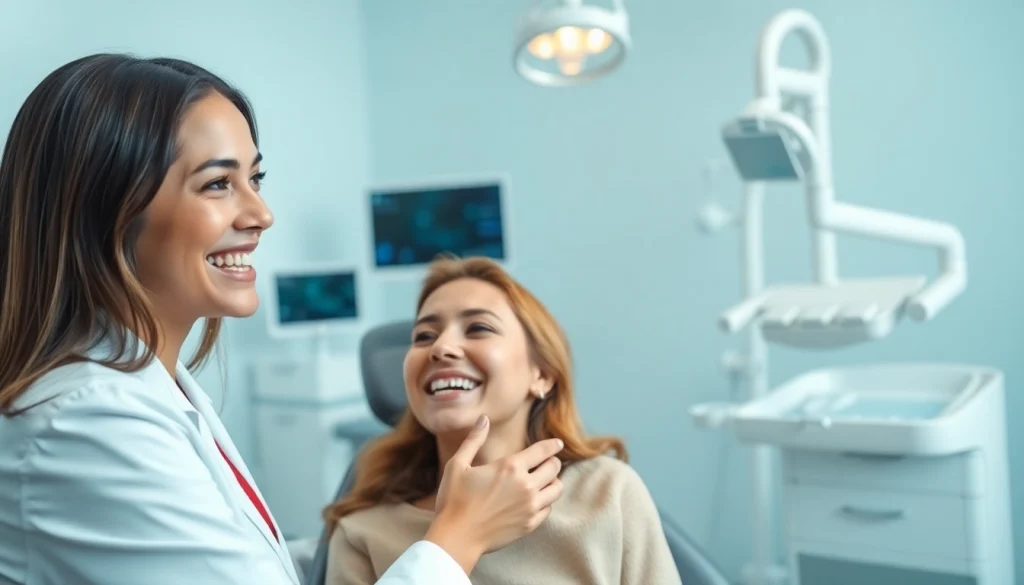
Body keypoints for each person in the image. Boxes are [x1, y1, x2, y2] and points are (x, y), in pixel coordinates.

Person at [0, 54, 564, 585]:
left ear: (545, 372)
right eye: (217, 184)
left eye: (255, 179)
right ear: (106, 211)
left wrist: (341, 545)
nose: (261, 214)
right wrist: (458, 538)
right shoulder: (89, 423)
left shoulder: (152, 391)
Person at [324, 256, 682, 585]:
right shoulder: (361, 534)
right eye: (424, 336)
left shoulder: (607, 492)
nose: (441, 348)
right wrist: (458, 534)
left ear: (542, 374)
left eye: (478, 328)